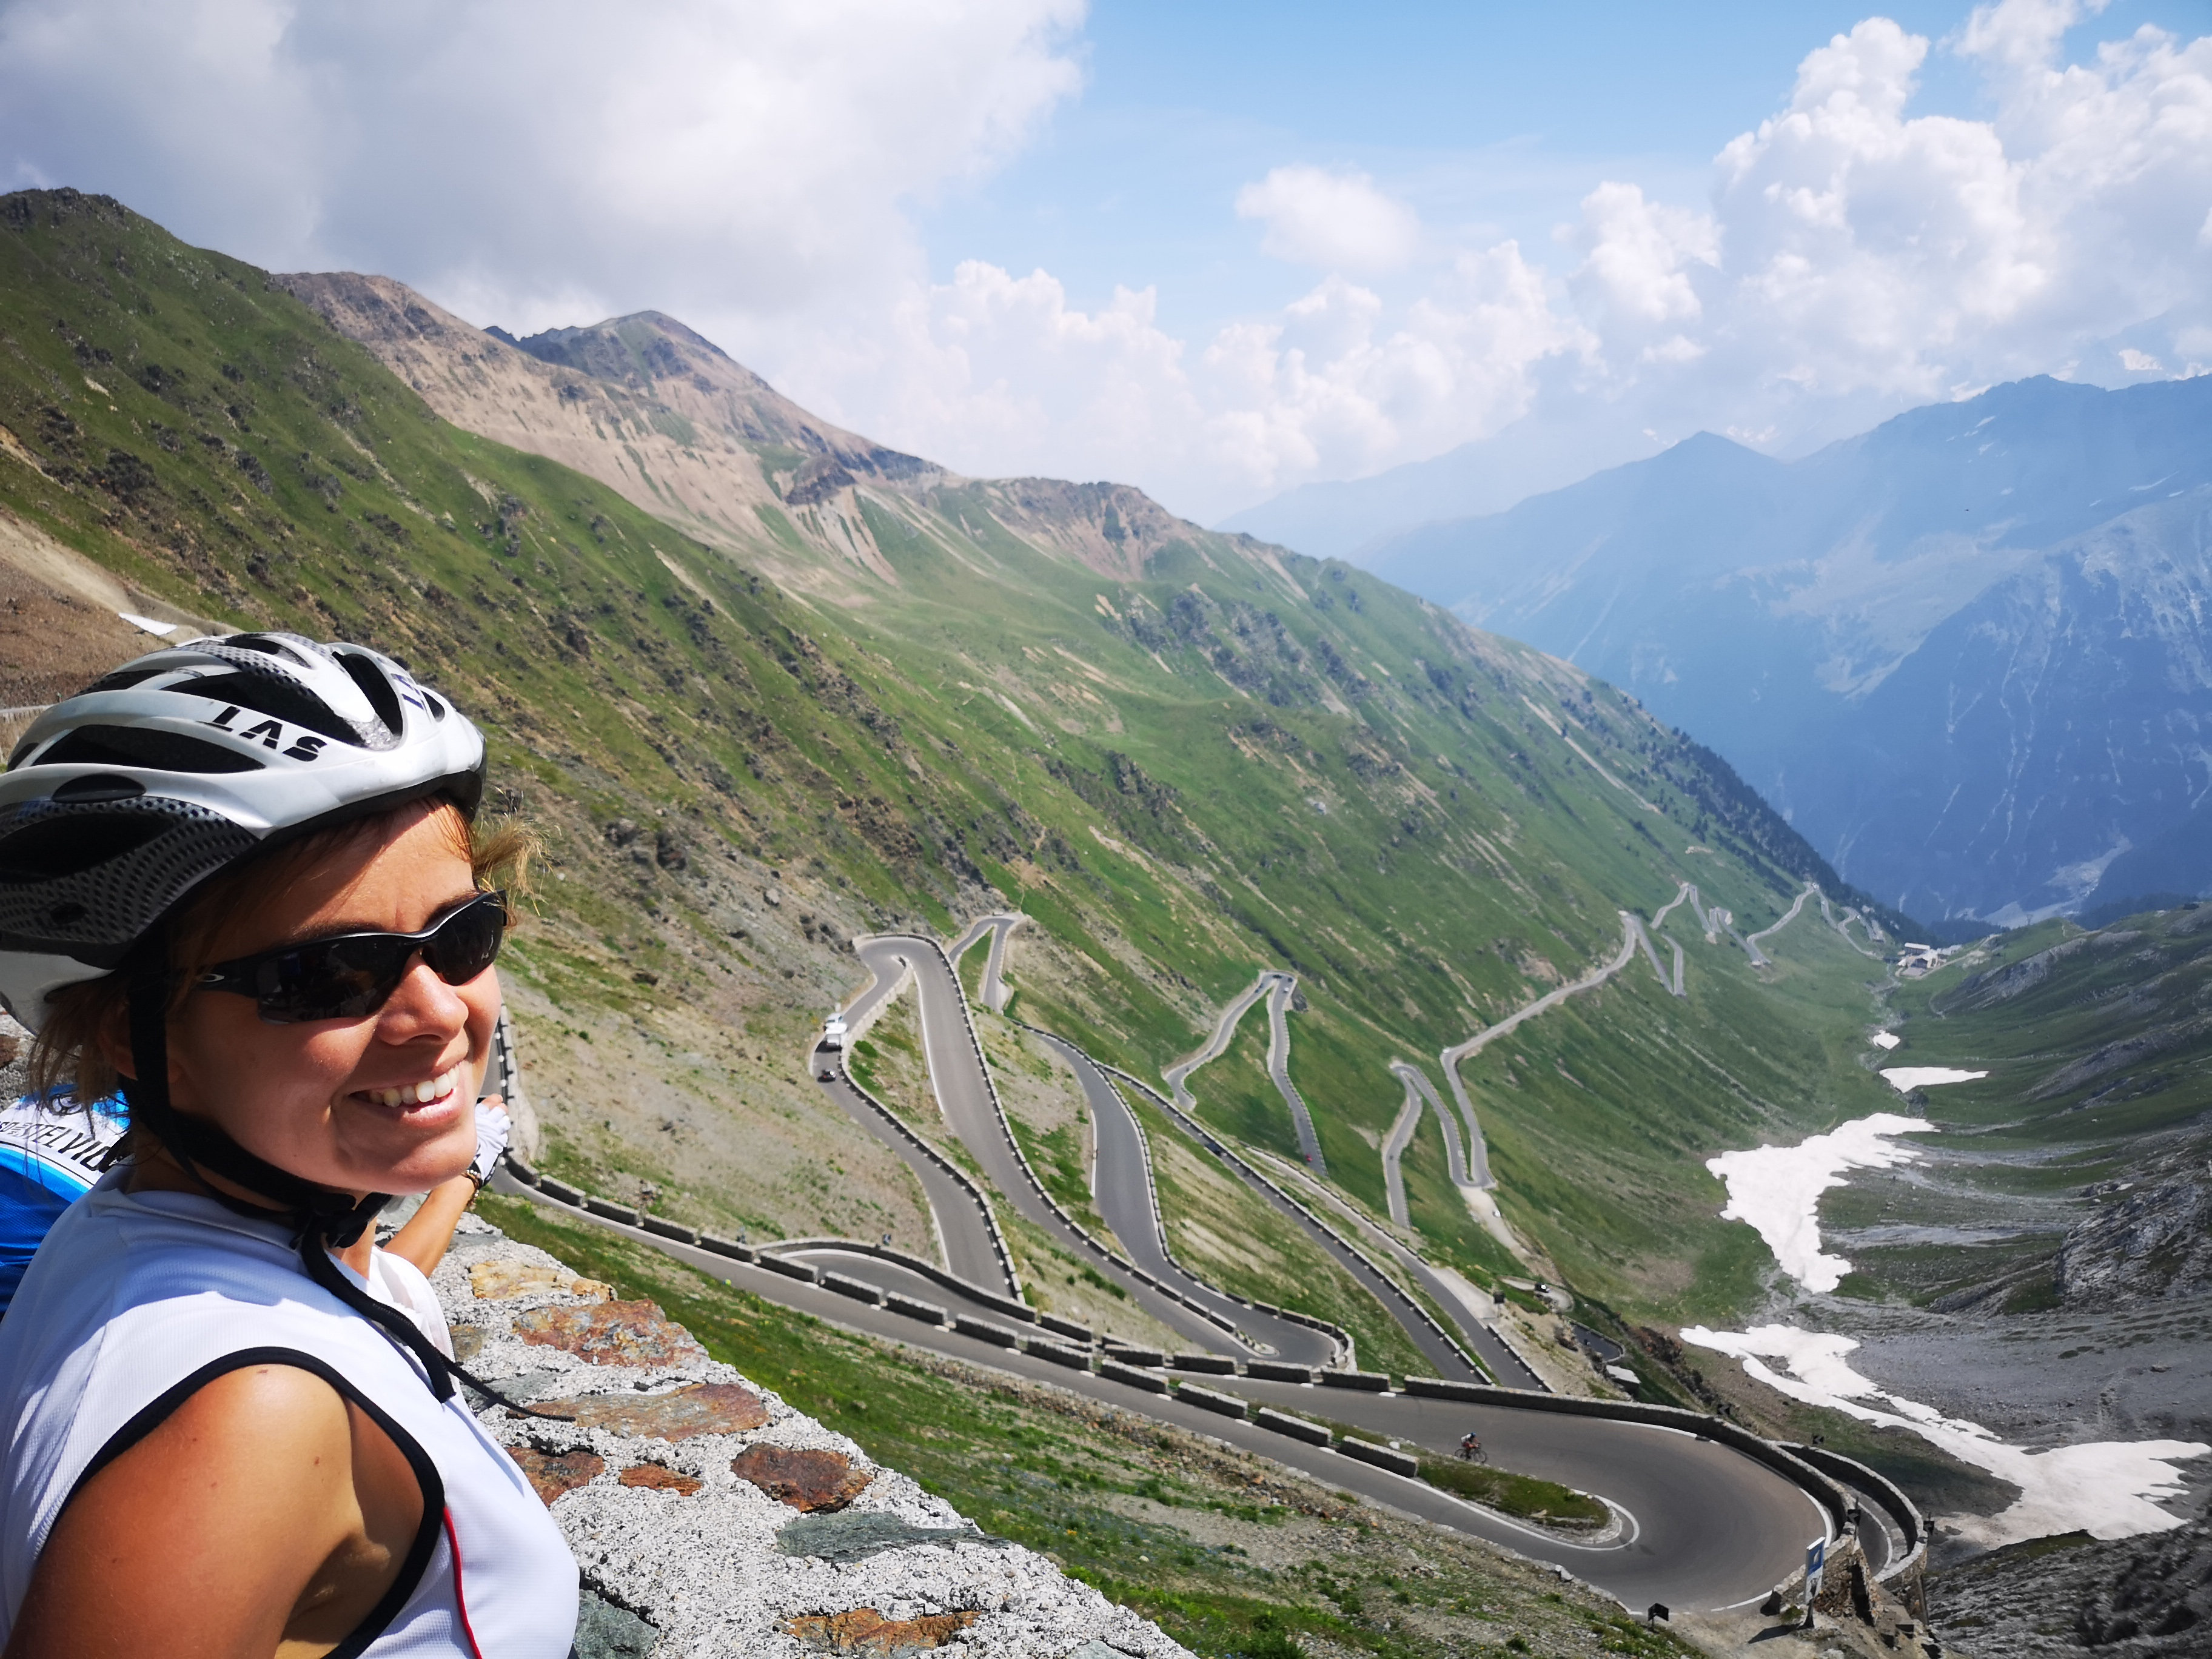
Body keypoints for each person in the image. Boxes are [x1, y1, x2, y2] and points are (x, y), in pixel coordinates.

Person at [0, 631, 578, 1656]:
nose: (440, 1013)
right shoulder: (248, 1421)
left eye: (461, 936)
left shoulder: (135, 1234)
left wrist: (454, 1186)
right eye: (328, 975)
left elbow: (358, 1299)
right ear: (137, 1034)